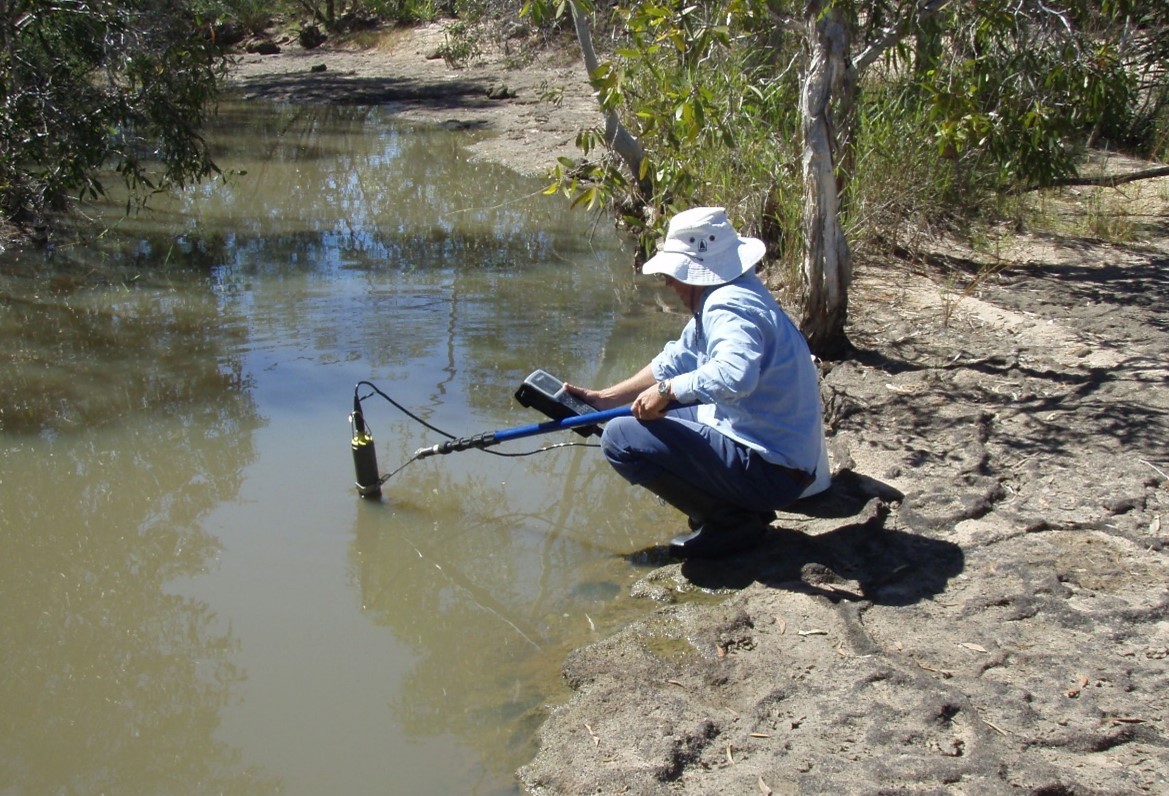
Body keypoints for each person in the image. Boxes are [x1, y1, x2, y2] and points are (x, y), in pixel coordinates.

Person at [565, 206, 827, 558]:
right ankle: (735, 509)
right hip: (774, 453)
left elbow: (734, 377)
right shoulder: (731, 289)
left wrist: (666, 391)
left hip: (774, 470)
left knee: (620, 438)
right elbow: (678, 359)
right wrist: (605, 399)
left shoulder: (728, 306)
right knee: (640, 419)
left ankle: (729, 522)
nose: (669, 283)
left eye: (673, 274)